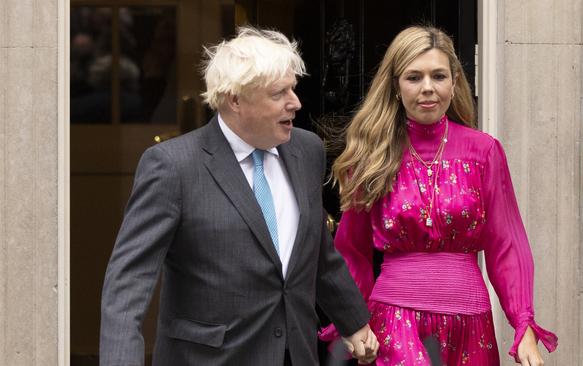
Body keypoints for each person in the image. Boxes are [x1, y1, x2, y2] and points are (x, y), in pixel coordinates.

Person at [100, 26, 378, 366]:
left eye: (293, 88)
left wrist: (355, 324)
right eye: (279, 93)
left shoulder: (307, 150)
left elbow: (318, 252)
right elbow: (127, 286)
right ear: (235, 100)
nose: (296, 102)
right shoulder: (172, 167)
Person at [320, 25, 558, 366]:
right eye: (414, 77)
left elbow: (506, 244)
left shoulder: (484, 151)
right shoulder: (371, 156)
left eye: (438, 76)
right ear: (396, 86)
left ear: (454, 82)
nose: (428, 88)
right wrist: (353, 321)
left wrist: (523, 323)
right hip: (395, 319)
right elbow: (351, 250)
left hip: (471, 323)